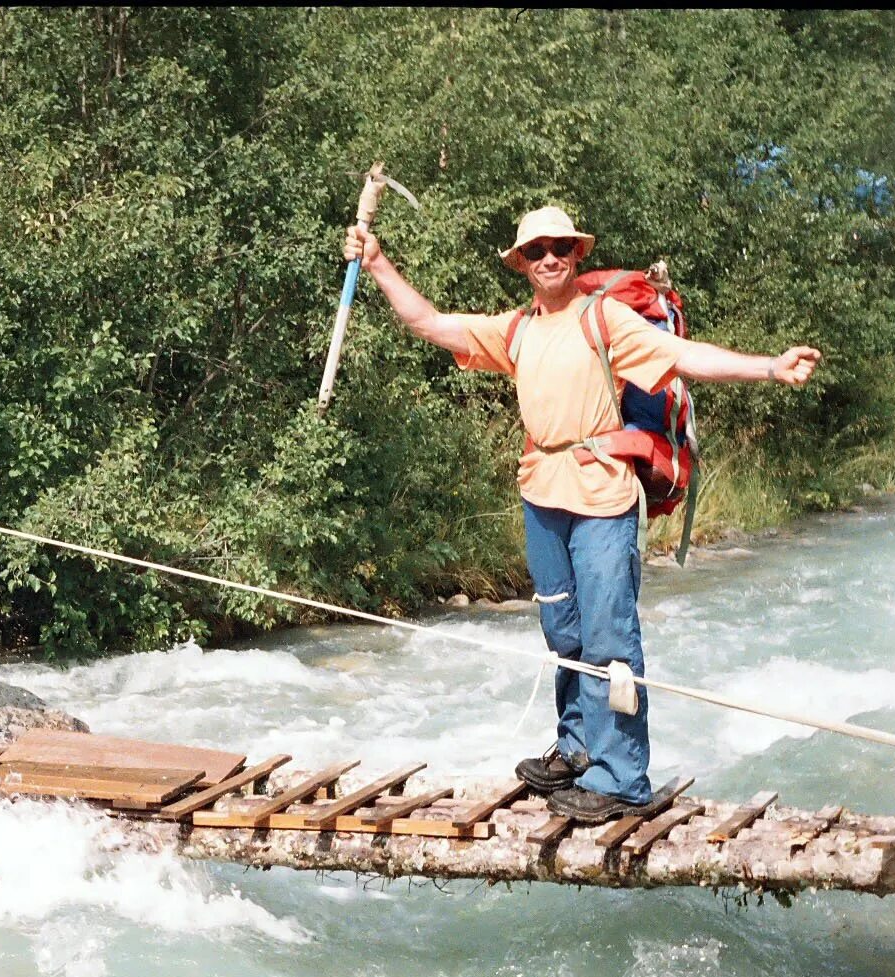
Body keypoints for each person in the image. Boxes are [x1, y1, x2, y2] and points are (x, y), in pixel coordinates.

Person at [345, 205, 822, 822]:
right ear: (521, 263)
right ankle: (575, 749)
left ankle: (622, 776)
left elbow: (682, 356)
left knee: (609, 638)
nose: (550, 257)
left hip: (602, 496)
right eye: (537, 250)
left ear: (576, 255)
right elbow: (430, 323)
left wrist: (768, 367)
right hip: (541, 491)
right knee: (563, 632)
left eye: (561, 247)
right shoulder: (516, 330)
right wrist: (378, 262)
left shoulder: (604, 319)